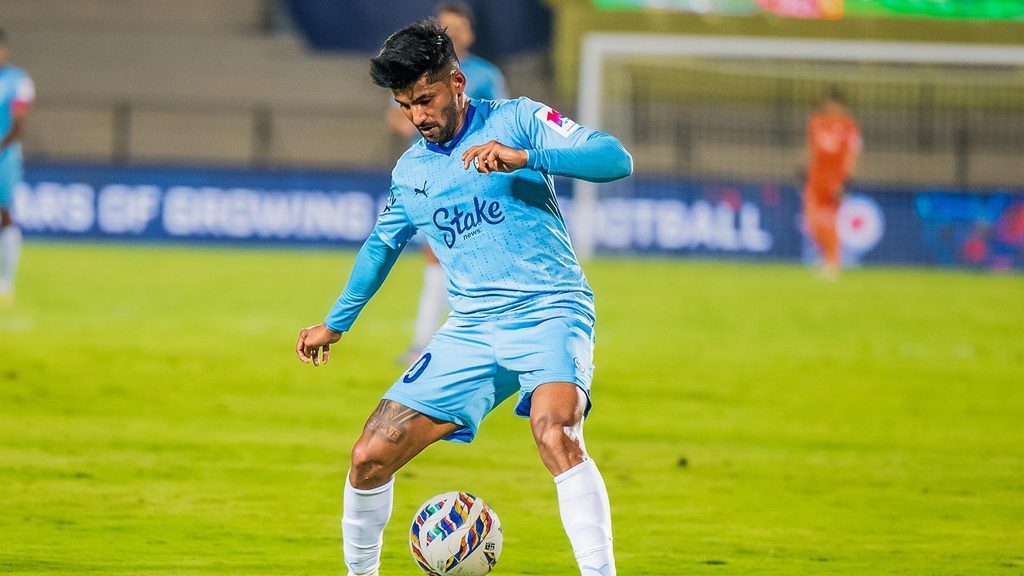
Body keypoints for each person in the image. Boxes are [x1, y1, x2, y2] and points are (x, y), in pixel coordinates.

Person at [296, 19, 632, 576]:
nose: (417, 117)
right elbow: (381, 246)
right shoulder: (412, 171)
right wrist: (336, 323)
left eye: (425, 99)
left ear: (456, 82)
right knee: (369, 456)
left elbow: (614, 158)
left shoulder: (518, 119)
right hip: (472, 327)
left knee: (555, 432)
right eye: (406, 106)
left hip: (549, 309)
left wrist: (526, 157)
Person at [386, 2, 509, 364]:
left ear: (470, 34)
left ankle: (453, 342)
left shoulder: (485, 74)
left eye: (458, 28)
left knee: (469, 256)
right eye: (445, 27)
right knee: (436, 256)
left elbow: (498, 120)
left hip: (474, 175)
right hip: (430, 177)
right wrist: (424, 122)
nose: (452, 34)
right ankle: (426, 343)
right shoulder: (416, 70)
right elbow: (396, 117)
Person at [804, 87, 861, 280]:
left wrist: (847, 181)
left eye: (836, 105)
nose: (832, 108)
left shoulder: (849, 127)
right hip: (815, 180)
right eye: (830, 105)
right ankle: (825, 258)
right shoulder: (816, 122)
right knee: (812, 223)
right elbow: (811, 150)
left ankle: (833, 263)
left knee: (830, 222)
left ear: (842, 107)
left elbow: (852, 154)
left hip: (835, 182)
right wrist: (805, 172)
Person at [0, 28, 34, 306]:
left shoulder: (18, 81)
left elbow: (18, 124)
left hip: (5, 155)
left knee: (5, 213)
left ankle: (6, 281)